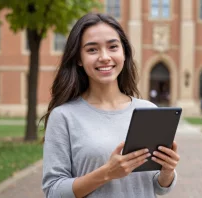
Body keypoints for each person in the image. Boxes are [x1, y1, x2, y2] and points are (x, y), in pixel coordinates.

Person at [41, 13, 180, 198]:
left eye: (113, 47)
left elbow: (158, 187)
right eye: (92, 50)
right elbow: (53, 191)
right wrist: (106, 173)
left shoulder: (148, 110)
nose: (105, 57)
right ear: (79, 59)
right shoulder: (64, 116)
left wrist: (167, 172)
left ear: (124, 53)